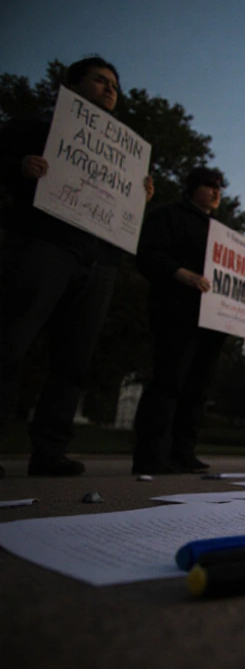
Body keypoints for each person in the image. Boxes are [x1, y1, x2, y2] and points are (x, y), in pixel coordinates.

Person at [0, 56, 155, 476]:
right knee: (12, 343)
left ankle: (49, 450)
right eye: (100, 81)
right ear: (71, 85)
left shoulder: (124, 154)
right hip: (44, 245)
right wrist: (19, 167)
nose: (110, 90)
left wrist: (135, 198)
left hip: (98, 259)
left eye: (115, 86)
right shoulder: (34, 127)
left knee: (74, 360)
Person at [130, 167, 229, 475]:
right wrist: (180, 273)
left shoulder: (220, 231)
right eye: (209, 186)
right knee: (169, 381)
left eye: (219, 188)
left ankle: (183, 451)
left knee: (198, 387)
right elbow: (147, 254)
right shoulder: (168, 216)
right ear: (192, 188)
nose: (216, 193)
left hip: (211, 317)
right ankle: (151, 454)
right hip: (176, 310)